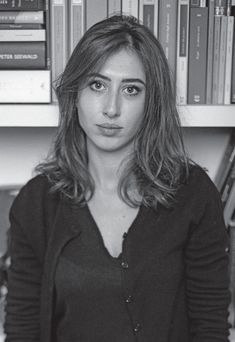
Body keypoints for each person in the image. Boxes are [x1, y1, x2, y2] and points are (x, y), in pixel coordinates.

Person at [4, 15, 231, 342]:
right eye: (97, 85)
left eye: (131, 90)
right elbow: (22, 330)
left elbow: (210, 328)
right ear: (75, 94)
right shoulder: (36, 203)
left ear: (151, 102)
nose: (111, 108)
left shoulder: (194, 194)